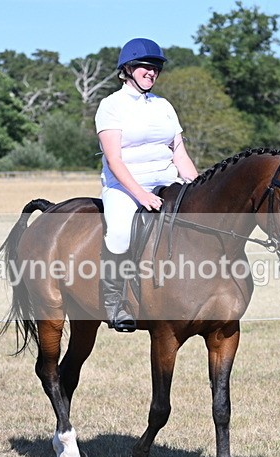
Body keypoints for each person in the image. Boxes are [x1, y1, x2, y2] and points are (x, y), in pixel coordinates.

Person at [95, 37, 198, 332]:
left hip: (167, 178)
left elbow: (179, 152)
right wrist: (141, 195)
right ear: (127, 69)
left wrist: (197, 184)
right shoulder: (111, 106)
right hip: (125, 184)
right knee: (118, 232)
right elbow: (114, 159)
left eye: (156, 68)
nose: (152, 72)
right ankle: (114, 301)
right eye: (145, 67)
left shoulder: (164, 106)